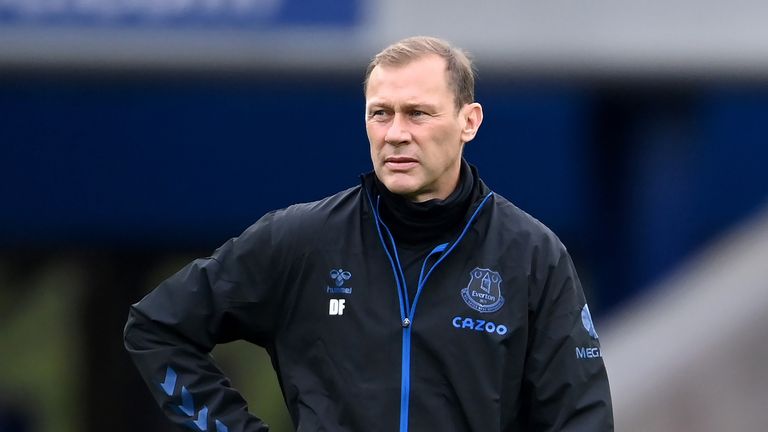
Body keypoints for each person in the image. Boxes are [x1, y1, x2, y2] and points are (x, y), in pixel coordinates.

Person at [124, 36, 613, 432]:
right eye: (381, 113)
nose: (395, 132)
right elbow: (158, 328)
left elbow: (580, 418)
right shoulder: (302, 239)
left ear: (469, 122)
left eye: (418, 113)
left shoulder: (532, 254)